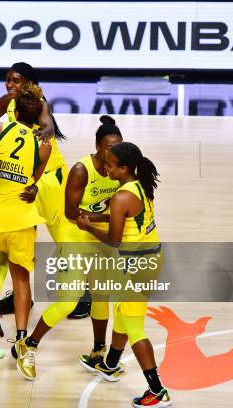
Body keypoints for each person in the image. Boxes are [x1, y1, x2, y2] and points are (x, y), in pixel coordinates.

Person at [0, 62, 89, 324]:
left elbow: (47, 126)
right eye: (8, 80)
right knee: (18, 237)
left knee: (63, 235)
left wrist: (41, 130)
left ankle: (83, 293)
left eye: (16, 81)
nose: (10, 85)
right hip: (22, 176)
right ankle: (21, 293)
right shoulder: (8, 101)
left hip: (48, 177)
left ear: (30, 84)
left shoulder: (39, 104)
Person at [13, 115, 123, 381]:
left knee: (101, 298)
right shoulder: (81, 170)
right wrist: (110, 217)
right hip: (75, 238)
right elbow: (72, 212)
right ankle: (28, 344)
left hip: (100, 240)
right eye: (109, 146)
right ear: (97, 145)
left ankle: (98, 351)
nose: (114, 150)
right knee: (68, 301)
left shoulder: (121, 169)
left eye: (118, 145)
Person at [70, 142, 171, 407]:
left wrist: (88, 226)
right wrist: (96, 216)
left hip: (137, 264)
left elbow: (114, 240)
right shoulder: (138, 184)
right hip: (150, 257)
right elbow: (124, 217)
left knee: (134, 325)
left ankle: (157, 390)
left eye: (110, 164)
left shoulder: (120, 196)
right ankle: (111, 364)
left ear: (124, 168)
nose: (105, 167)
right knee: (122, 312)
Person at [0, 83, 51, 358]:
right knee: (21, 279)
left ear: (14, 112)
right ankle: (20, 337)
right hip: (21, 218)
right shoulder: (44, 145)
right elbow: (33, 179)